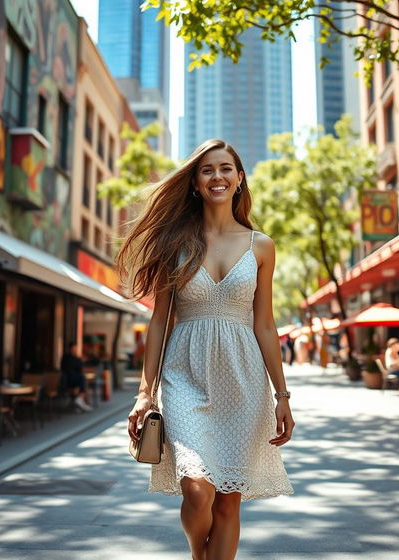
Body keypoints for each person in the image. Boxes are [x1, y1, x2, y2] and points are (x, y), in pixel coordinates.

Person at [122, 139, 294, 560]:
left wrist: (282, 396)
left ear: (238, 179)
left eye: (225, 169)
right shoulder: (173, 242)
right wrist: (146, 392)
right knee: (197, 489)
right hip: (185, 376)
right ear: (196, 183)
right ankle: (199, 555)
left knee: (228, 501)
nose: (217, 176)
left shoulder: (261, 246)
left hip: (243, 381)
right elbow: (160, 320)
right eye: (207, 170)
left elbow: (265, 324)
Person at [60, 342, 92, 412]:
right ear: (69, 349)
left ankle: (79, 402)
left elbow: (80, 368)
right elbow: (66, 369)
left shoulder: (76, 358)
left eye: (75, 348)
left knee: (83, 380)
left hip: (75, 379)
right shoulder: (66, 358)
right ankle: (80, 400)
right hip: (67, 380)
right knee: (82, 379)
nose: (74, 350)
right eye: (73, 348)